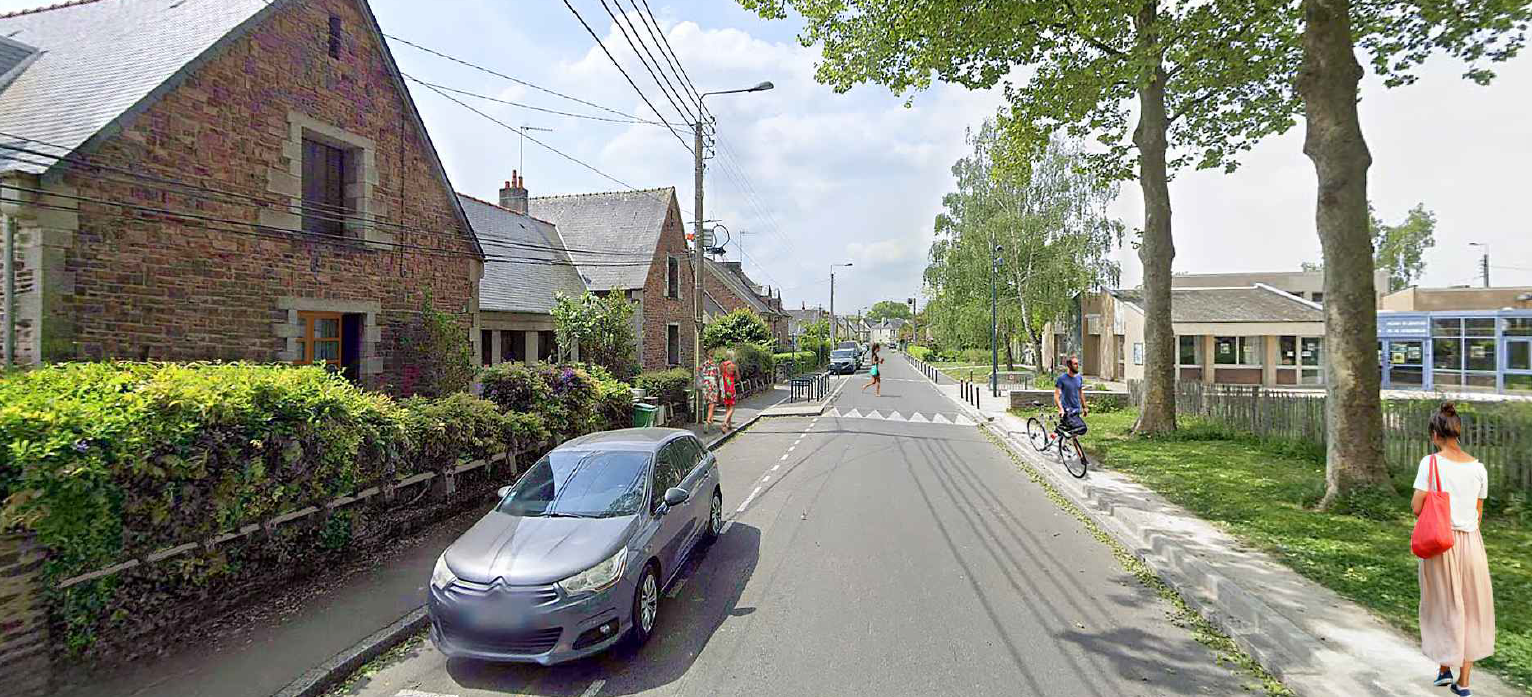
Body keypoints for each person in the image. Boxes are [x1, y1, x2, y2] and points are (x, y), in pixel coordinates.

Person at [1413, 402, 1494, 696]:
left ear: (1435, 434)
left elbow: (1417, 506)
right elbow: (1478, 511)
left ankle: (1444, 667)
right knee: (1471, 608)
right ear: (1458, 433)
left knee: (1442, 604)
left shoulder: (1430, 463)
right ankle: (1463, 681)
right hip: (1472, 544)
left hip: (1441, 544)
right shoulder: (1479, 468)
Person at [1053, 355, 1089, 463]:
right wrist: (1060, 409)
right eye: (1075, 364)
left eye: (1078, 363)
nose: (1077, 365)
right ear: (1069, 365)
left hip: (1076, 410)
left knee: (1074, 433)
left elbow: (1080, 393)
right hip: (1067, 411)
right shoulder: (1062, 379)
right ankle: (1062, 437)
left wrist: (1084, 407)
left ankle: (1080, 457)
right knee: (1081, 428)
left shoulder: (1079, 378)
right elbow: (1056, 395)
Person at [698, 356, 720, 433]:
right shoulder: (715, 366)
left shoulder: (703, 365)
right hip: (712, 385)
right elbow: (718, 377)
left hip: (705, 385)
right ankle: (708, 421)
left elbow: (699, 373)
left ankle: (711, 421)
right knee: (712, 404)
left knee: (708, 404)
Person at [719, 352, 739, 432]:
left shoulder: (722, 365)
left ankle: (729, 424)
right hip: (730, 388)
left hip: (724, 388)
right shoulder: (733, 366)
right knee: (732, 408)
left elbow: (720, 375)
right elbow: (738, 378)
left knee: (727, 406)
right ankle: (725, 422)